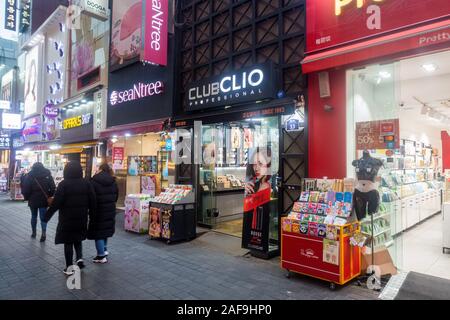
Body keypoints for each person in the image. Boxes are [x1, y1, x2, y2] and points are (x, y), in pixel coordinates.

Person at [43, 161, 96, 275]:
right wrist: (93, 216)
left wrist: (47, 216)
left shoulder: (63, 184)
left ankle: (69, 267)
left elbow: (56, 203)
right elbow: (93, 201)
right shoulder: (86, 183)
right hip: (81, 217)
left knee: (68, 242)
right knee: (78, 238)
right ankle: (79, 259)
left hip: (66, 219)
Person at [88, 163, 118, 264]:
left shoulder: (94, 181)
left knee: (98, 233)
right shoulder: (113, 181)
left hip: (98, 210)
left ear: (100, 169)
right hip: (110, 209)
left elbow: (91, 197)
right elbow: (116, 196)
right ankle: (104, 249)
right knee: (105, 230)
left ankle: (101, 256)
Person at [21, 162, 56, 242]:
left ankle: (34, 232)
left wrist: (27, 197)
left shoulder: (30, 176)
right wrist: (49, 195)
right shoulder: (47, 175)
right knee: (43, 217)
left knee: (34, 216)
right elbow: (53, 188)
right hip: (44, 200)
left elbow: (26, 188)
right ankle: (43, 234)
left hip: (33, 199)